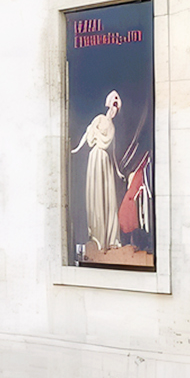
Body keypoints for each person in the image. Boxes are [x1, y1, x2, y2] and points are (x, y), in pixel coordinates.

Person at [72, 90, 123, 255]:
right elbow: (87, 134)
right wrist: (76, 149)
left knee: (107, 197)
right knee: (96, 195)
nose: (114, 109)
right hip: (96, 158)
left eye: (117, 105)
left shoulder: (112, 128)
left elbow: (113, 152)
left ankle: (109, 239)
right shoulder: (99, 119)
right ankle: (98, 238)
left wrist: (118, 171)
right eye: (113, 104)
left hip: (105, 162)